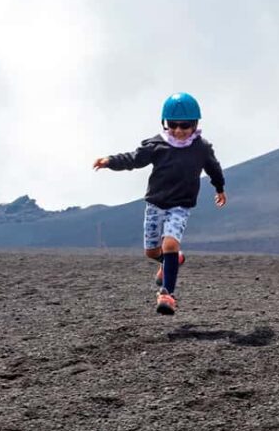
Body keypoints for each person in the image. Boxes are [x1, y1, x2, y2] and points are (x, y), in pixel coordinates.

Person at [93, 92, 227, 315]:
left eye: (185, 125)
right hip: (155, 205)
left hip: (180, 206)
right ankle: (174, 261)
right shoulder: (157, 145)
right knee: (152, 252)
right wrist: (110, 161)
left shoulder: (201, 148)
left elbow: (213, 167)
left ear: (195, 124)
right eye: (173, 124)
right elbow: (134, 159)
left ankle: (167, 294)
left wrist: (219, 188)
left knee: (170, 245)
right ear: (165, 123)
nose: (178, 130)